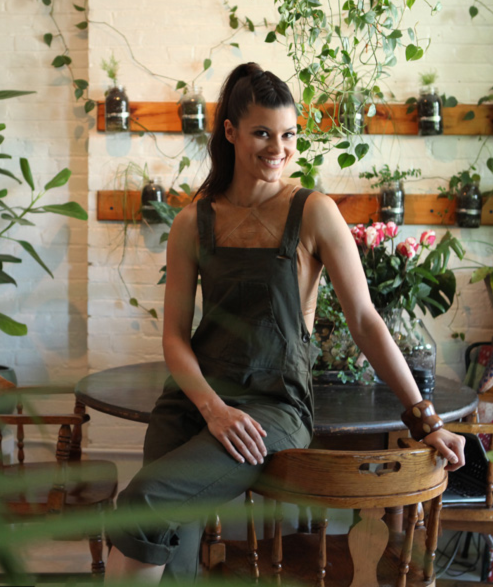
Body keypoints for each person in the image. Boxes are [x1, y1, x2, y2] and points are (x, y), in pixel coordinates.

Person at [105, 62, 465, 583]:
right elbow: (175, 338)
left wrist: (426, 419)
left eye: (289, 134)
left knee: (145, 499)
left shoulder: (312, 212)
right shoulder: (192, 221)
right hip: (194, 400)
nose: (279, 148)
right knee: (164, 537)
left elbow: (365, 321)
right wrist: (213, 409)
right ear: (230, 132)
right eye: (262, 133)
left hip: (273, 408)